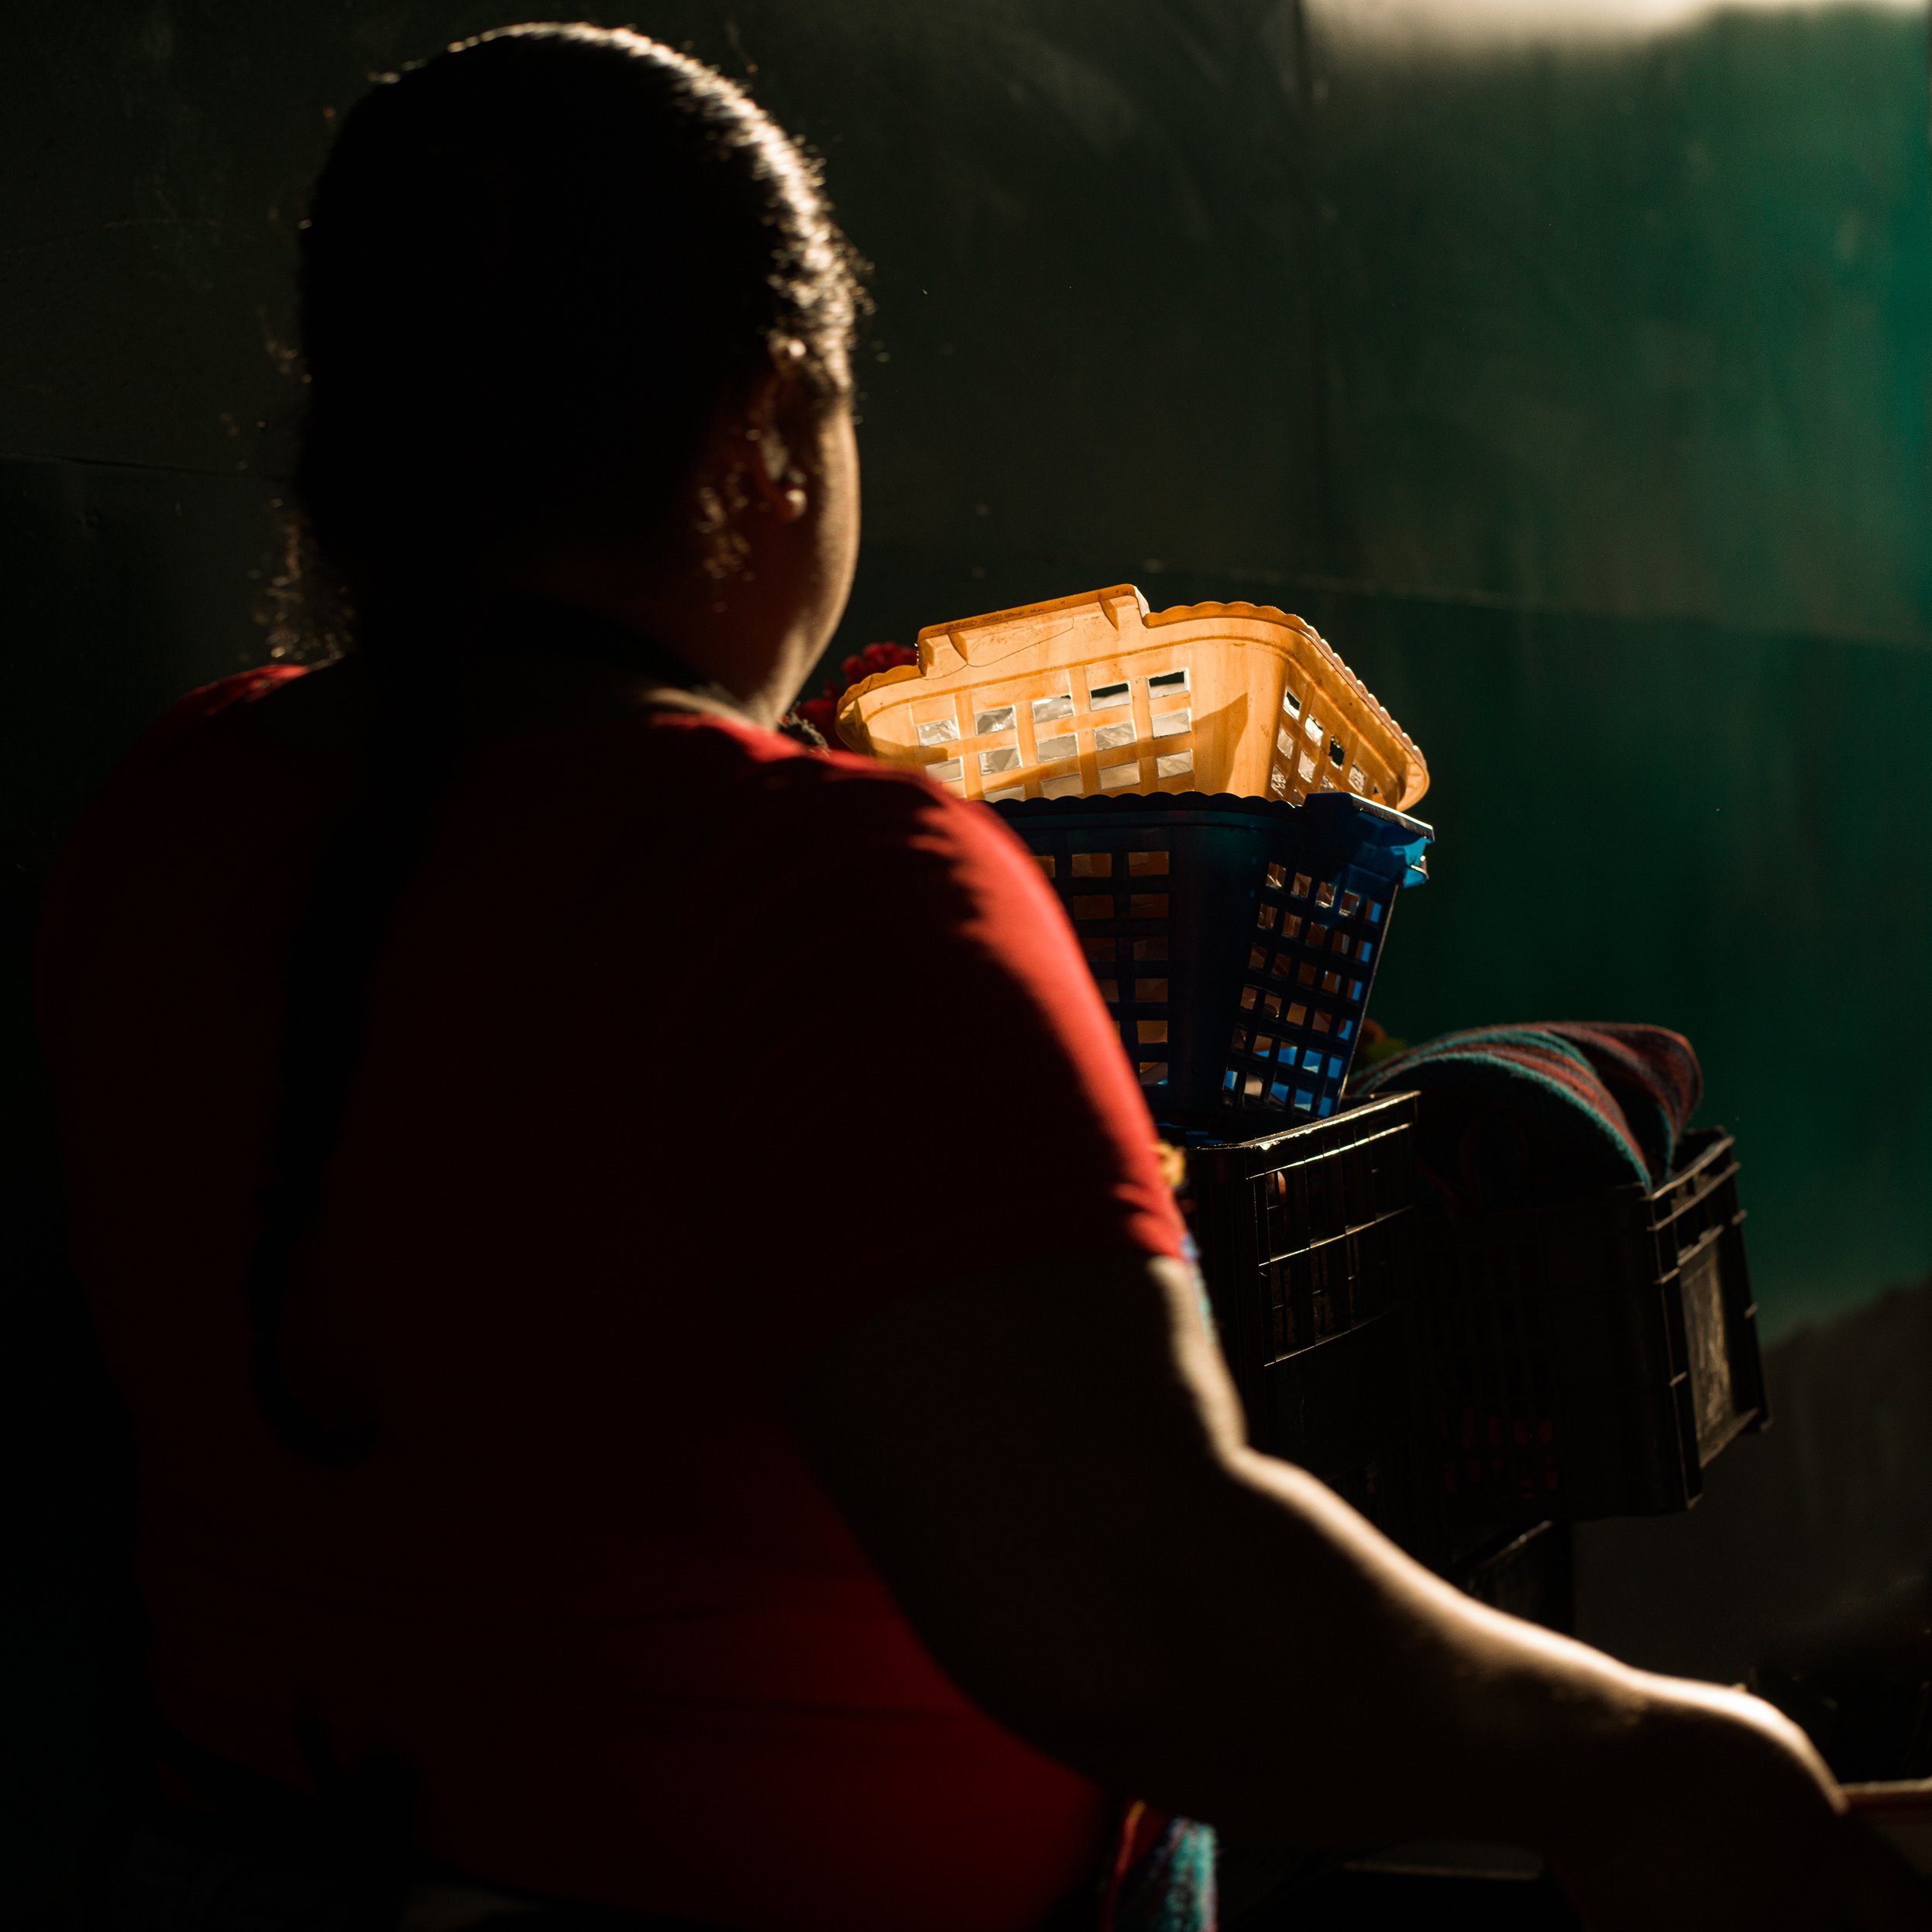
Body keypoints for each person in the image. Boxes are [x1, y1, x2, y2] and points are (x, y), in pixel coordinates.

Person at [33, 22, 1929, 1932]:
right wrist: (1639, 1749)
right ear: (767, 429)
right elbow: (1146, 1603)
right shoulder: (816, 888)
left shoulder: (175, 808)